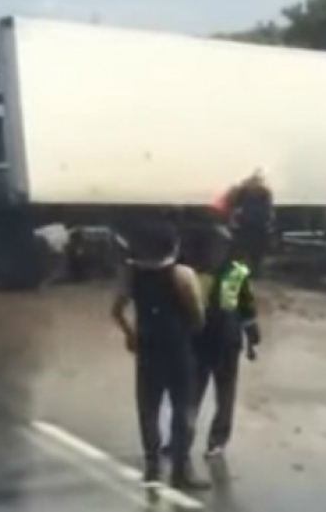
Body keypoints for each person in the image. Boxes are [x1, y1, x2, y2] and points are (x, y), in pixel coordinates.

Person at [111, 219, 211, 491]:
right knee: (183, 410)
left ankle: (152, 467)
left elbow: (116, 311)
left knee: (148, 409)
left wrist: (131, 335)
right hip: (178, 350)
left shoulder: (131, 274)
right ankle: (181, 470)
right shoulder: (182, 275)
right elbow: (197, 316)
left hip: (147, 349)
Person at [193, 226, 262, 457]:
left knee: (222, 394)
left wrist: (252, 338)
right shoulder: (197, 272)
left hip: (225, 341)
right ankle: (183, 438)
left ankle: (217, 440)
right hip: (204, 339)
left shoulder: (234, 272)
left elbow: (246, 305)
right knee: (194, 392)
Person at [224, 171, 274, 277]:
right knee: (256, 250)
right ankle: (255, 271)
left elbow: (234, 205)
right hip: (256, 224)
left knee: (247, 249)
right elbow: (269, 209)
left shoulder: (245, 191)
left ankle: (249, 271)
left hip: (249, 223)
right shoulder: (264, 192)